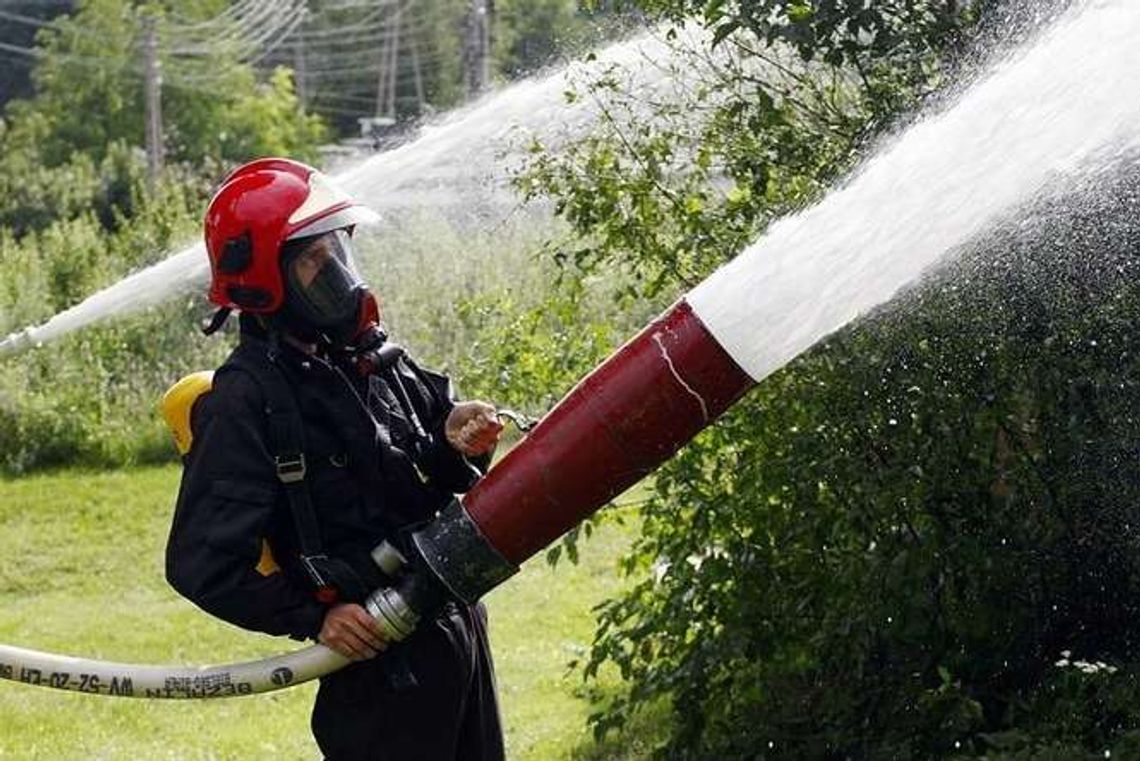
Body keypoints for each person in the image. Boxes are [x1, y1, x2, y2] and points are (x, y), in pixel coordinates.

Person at [165, 157, 506, 760]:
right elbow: (202, 565)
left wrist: (458, 436)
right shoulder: (245, 401)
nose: (342, 278)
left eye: (339, 255)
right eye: (315, 263)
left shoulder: (366, 355)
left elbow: (424, 458)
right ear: (265, 281)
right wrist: (313, 616)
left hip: (454, 625)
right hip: (379, 662)